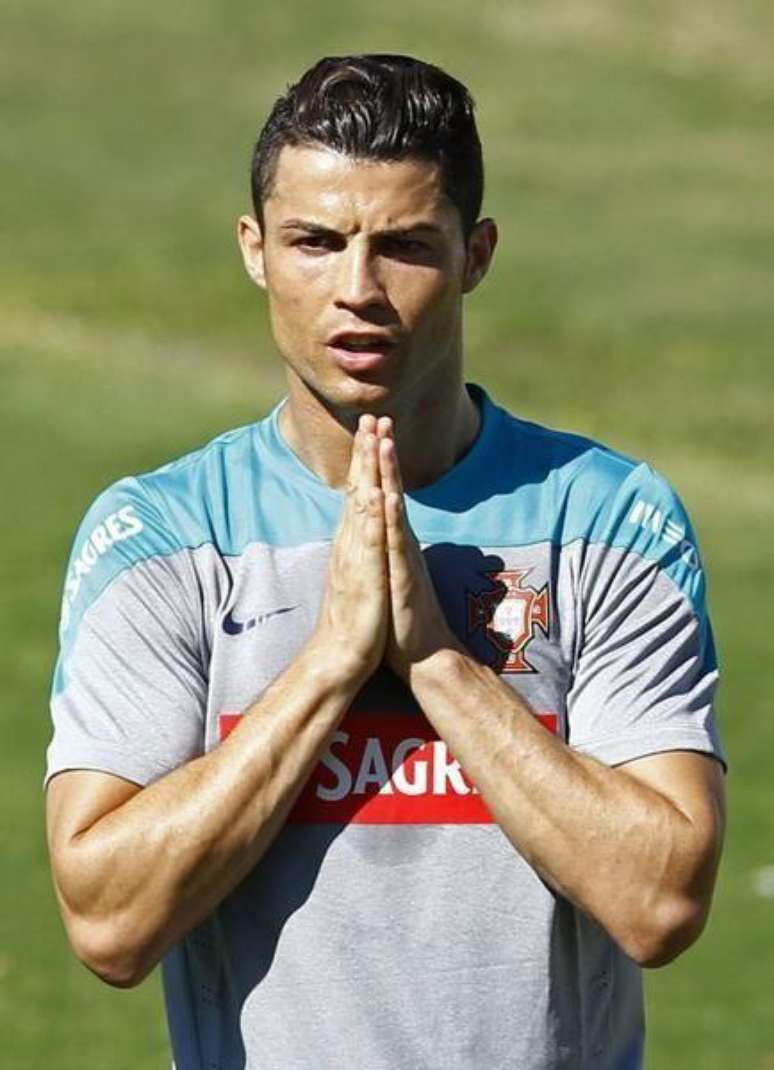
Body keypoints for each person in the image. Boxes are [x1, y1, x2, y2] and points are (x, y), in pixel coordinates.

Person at [45, 54, 726, 1069]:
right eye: (315, 242)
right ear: (255, 251)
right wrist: (327, 661)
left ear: (477, 252)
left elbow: (661, 897)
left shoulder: (610, 520)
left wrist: (436, 660)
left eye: (404, 245)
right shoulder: (163, 538)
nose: (356, 289)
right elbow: (107, 919)